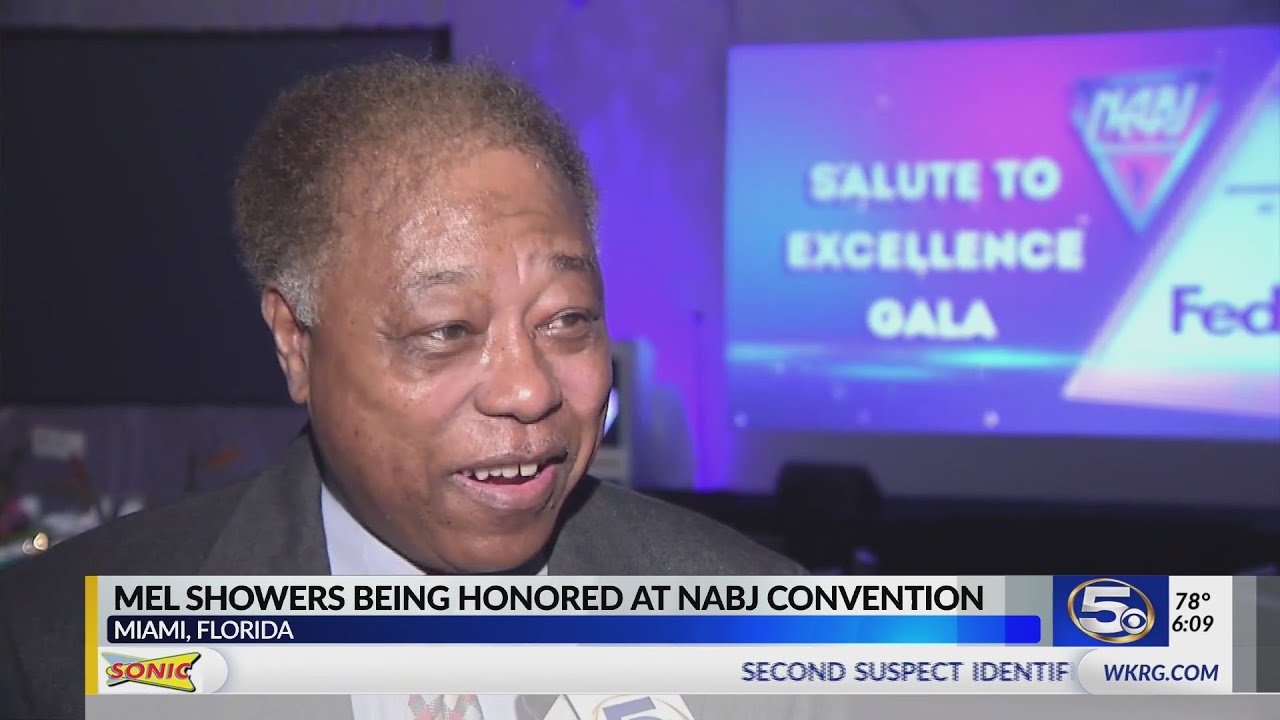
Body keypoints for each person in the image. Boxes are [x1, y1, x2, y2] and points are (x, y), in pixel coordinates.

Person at [0, 58, 802, 719]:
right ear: (295, 344)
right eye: (447, 330)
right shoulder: (56, 647)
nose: (528, 391)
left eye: (566, 320)